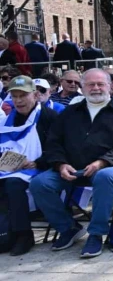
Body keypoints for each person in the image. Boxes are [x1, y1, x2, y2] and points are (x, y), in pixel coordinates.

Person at [30, 69, 113, 258]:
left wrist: (102, 162)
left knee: (104, 177)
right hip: (70, 167)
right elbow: (53, 142)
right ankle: (68, 228)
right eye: (90, 84)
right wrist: (61, 164)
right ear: (83, 87)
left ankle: (96, 234)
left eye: (100, 84)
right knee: (39, 183)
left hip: (108, 167)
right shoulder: (69, 113)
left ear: (109, 86)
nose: (96, 88)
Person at [0, 76, 60, 255]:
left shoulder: (49, 117)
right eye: (15, 96)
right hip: (12, 168)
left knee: (14, 184)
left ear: (35, 95)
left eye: (23, 96)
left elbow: (59, 147)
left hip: (43, 166)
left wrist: (37, 162)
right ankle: (5, 233)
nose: (18, 101)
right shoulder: (7, 121)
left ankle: (24, 235)